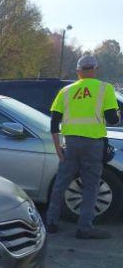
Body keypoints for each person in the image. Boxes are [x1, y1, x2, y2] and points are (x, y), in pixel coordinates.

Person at [46, 54, 120, 239]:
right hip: (93, 145)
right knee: (91, 187)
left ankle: (51, 223)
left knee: (60, 185)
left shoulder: (66, 91)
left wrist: (57, 148)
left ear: (78, 71)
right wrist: (117, 114)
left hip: (70, 144)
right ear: (95, 70)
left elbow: (54, 122)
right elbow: (112, 118)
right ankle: (84, 228)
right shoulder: (105, 88)